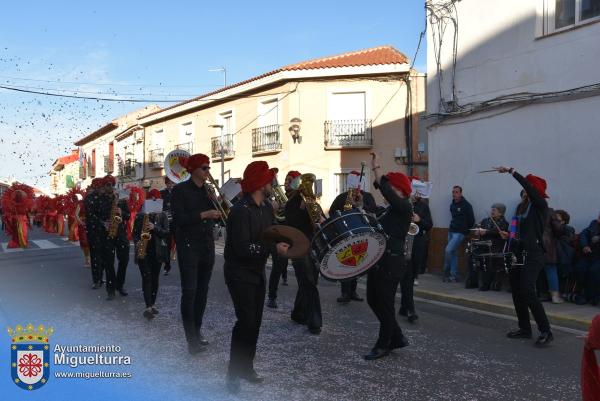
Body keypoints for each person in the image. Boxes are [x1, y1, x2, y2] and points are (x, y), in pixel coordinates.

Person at [224, 161, 289, 392]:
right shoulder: (240, 211)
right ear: (261, 183)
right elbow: (243, 249)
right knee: (245, 322)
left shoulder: (265, 208)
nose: (273, 184)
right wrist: (273, 250)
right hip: (239, 273)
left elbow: (270, 235)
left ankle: (246, 368)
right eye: (270, 180)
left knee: (255, 323)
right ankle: (233, 374)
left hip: (257, 272)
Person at [496, 166, 553, 346]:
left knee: (527, 289)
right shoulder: (522, 206)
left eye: (529, 187)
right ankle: (525, 329)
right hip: (518, 251)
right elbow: (520, 229)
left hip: (534, 253)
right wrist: (509, 236)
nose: (525, 191)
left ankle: (546, 331)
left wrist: (512, 172)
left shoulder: (541, 205)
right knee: (517, 291)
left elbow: (529, 188)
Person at [171, 153, 222, 354]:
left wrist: (220, 204)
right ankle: (190, 339)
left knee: (202, 292)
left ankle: (197, 331)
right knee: (190, 292)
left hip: (207, 246)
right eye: (204, 168)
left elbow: (218, 218)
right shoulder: (180, 190)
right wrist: (204, 214)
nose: (208, 171)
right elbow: (178, 219)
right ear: (193, 170)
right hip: (188, 247)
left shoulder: (208, 191)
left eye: (208, 168)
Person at [364, 153, 412, 360]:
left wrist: (377, 168)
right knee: (372, 299)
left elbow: (385, 189)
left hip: (392, 262)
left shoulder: (404, 207)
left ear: (400, 191)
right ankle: (398, 337)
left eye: (392, 188)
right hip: (379, 260)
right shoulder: (390, 210)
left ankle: (384, 344)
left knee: (384, 304)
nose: (388, 192)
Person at [329, 170, 377, 303]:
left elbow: (373, 210)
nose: (355, 189)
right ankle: (345, 292)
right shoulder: (342, 197)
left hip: (362, 233)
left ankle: (353, 291)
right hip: (346, 234)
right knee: (346, 263)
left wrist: (360, 205)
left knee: (358, 263)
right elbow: (333, 212)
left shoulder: (367, 196)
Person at [285, 173, 323, 335]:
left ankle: (298, 313)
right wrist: (301, 210)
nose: (286, 183)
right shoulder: (291, 204)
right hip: (299, 246)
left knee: (309, 280)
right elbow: (291, 224)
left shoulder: (310, 201)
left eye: (289, 181)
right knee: (309, 282)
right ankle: (314, 321)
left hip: (312, 244)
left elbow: (318, 221)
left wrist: (316, 214)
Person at [133, 189, 170, 320]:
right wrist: (137, 242)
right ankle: (148, 306)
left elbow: (166, 233)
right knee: (146, 277)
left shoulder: (163, 216)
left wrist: (155, 227)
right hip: (144, 250)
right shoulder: (140, 215)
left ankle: (153, 304)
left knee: (155, 279)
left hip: (157, 251)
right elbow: (135, 233)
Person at [266, 170, 298, 309]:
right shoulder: (279, 198)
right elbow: (275, 218)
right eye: (285, 180)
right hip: (280, 235)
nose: (286, 183)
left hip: (293, 235)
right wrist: (273, 210)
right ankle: (272, 296)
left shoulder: (299, 199)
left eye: (289, 180)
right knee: (277, 265)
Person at [465, 203, 509, 291]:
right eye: (492, 209)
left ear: (500, 213)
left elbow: (496, 231)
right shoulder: (485, 220)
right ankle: (473, 282)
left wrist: (486, 232)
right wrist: (477, 230)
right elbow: (476, 226)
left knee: (486, 258)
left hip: (494, 246)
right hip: (482, 245)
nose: (492, 211)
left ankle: (486, 284)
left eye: (494, 210)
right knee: (472, 256)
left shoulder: (504, 223)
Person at [104, 175, 130, 297]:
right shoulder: (100, 199)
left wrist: (122, 213)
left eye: (111, 185)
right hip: (106, 234)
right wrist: (103, 223)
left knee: (124, 260)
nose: (110, 187)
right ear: (104, 187)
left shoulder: (121, 199)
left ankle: (120, 285)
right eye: (107, 185)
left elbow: (128, 215)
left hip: (120, 233)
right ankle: (111, 289)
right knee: (109, 262)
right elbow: (93, 215)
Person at [443, 186, 474, 282]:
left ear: (461, 193)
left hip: (460, 233)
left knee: (448, 250)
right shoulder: (452, 204)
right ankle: (454, 276)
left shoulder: (466, 205)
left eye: (456, 192)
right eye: (453, 192)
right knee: (452, 253)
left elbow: (471, 220)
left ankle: (446, 271)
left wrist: (466, 231)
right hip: (451, 231)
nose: (454, 194)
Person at [84, 177, 110, 291]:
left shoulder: (105, 197)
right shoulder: (89, 198)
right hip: (94, 231)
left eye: (103, 187)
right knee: (95, 256)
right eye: (101, 187)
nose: (103, 189)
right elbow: (90, 215)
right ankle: (96, 280)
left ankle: (101, 277)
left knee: (104, 255)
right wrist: (102, 222)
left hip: (104, 230)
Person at [575, 212, 600, 305]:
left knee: (594, 271)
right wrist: (585, 245)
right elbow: (583, 234)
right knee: (580, 268)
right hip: (590, 255)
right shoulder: (593, 225)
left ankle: (594, 296)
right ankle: (582, 294)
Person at [409, 191, 433, 284]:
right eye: (413, 192)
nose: (415, 194)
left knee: (415, 258)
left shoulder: (424, 206)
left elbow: (429, 225)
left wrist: (419, 220)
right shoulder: (405, 203)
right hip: (405, 236)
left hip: (417, 237)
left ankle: (415, 277)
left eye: (417, 192)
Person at [160, 176, 175, 276]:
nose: (171, 185)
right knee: (168, 244)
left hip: (177, 221)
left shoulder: (177, 192)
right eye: (169, 183)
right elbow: (160, 206)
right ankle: (167, 265)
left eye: (172, 183)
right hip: (167, 221)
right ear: (166, 183)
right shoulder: (162, 193)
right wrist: (167, 206)